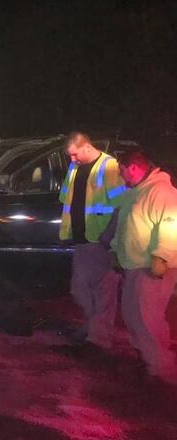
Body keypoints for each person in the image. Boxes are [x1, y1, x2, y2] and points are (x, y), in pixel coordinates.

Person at [111, 150, 177, 385]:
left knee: (148, 318)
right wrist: (115, 249)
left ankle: (162, 369)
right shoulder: (135, 192)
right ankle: (148, 358)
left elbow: (171, 225)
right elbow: (125, 227)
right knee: (133, 314)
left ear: (133, 168)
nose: (121, 175)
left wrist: (162, 257)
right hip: (134, 267)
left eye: (122, 170)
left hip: (152, 267)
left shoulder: (161, 192)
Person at [59, 132, 127, 350]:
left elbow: (121, 206)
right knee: (79, 288)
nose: (72, 159)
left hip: (101, 241)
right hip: (82, 239)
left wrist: (110, 237)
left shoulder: (109, 167)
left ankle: (99, 339)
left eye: (74, 154)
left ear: (87, 147)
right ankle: (93, 328)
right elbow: (66, 199)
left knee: (104, 292)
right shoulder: (75, 167)